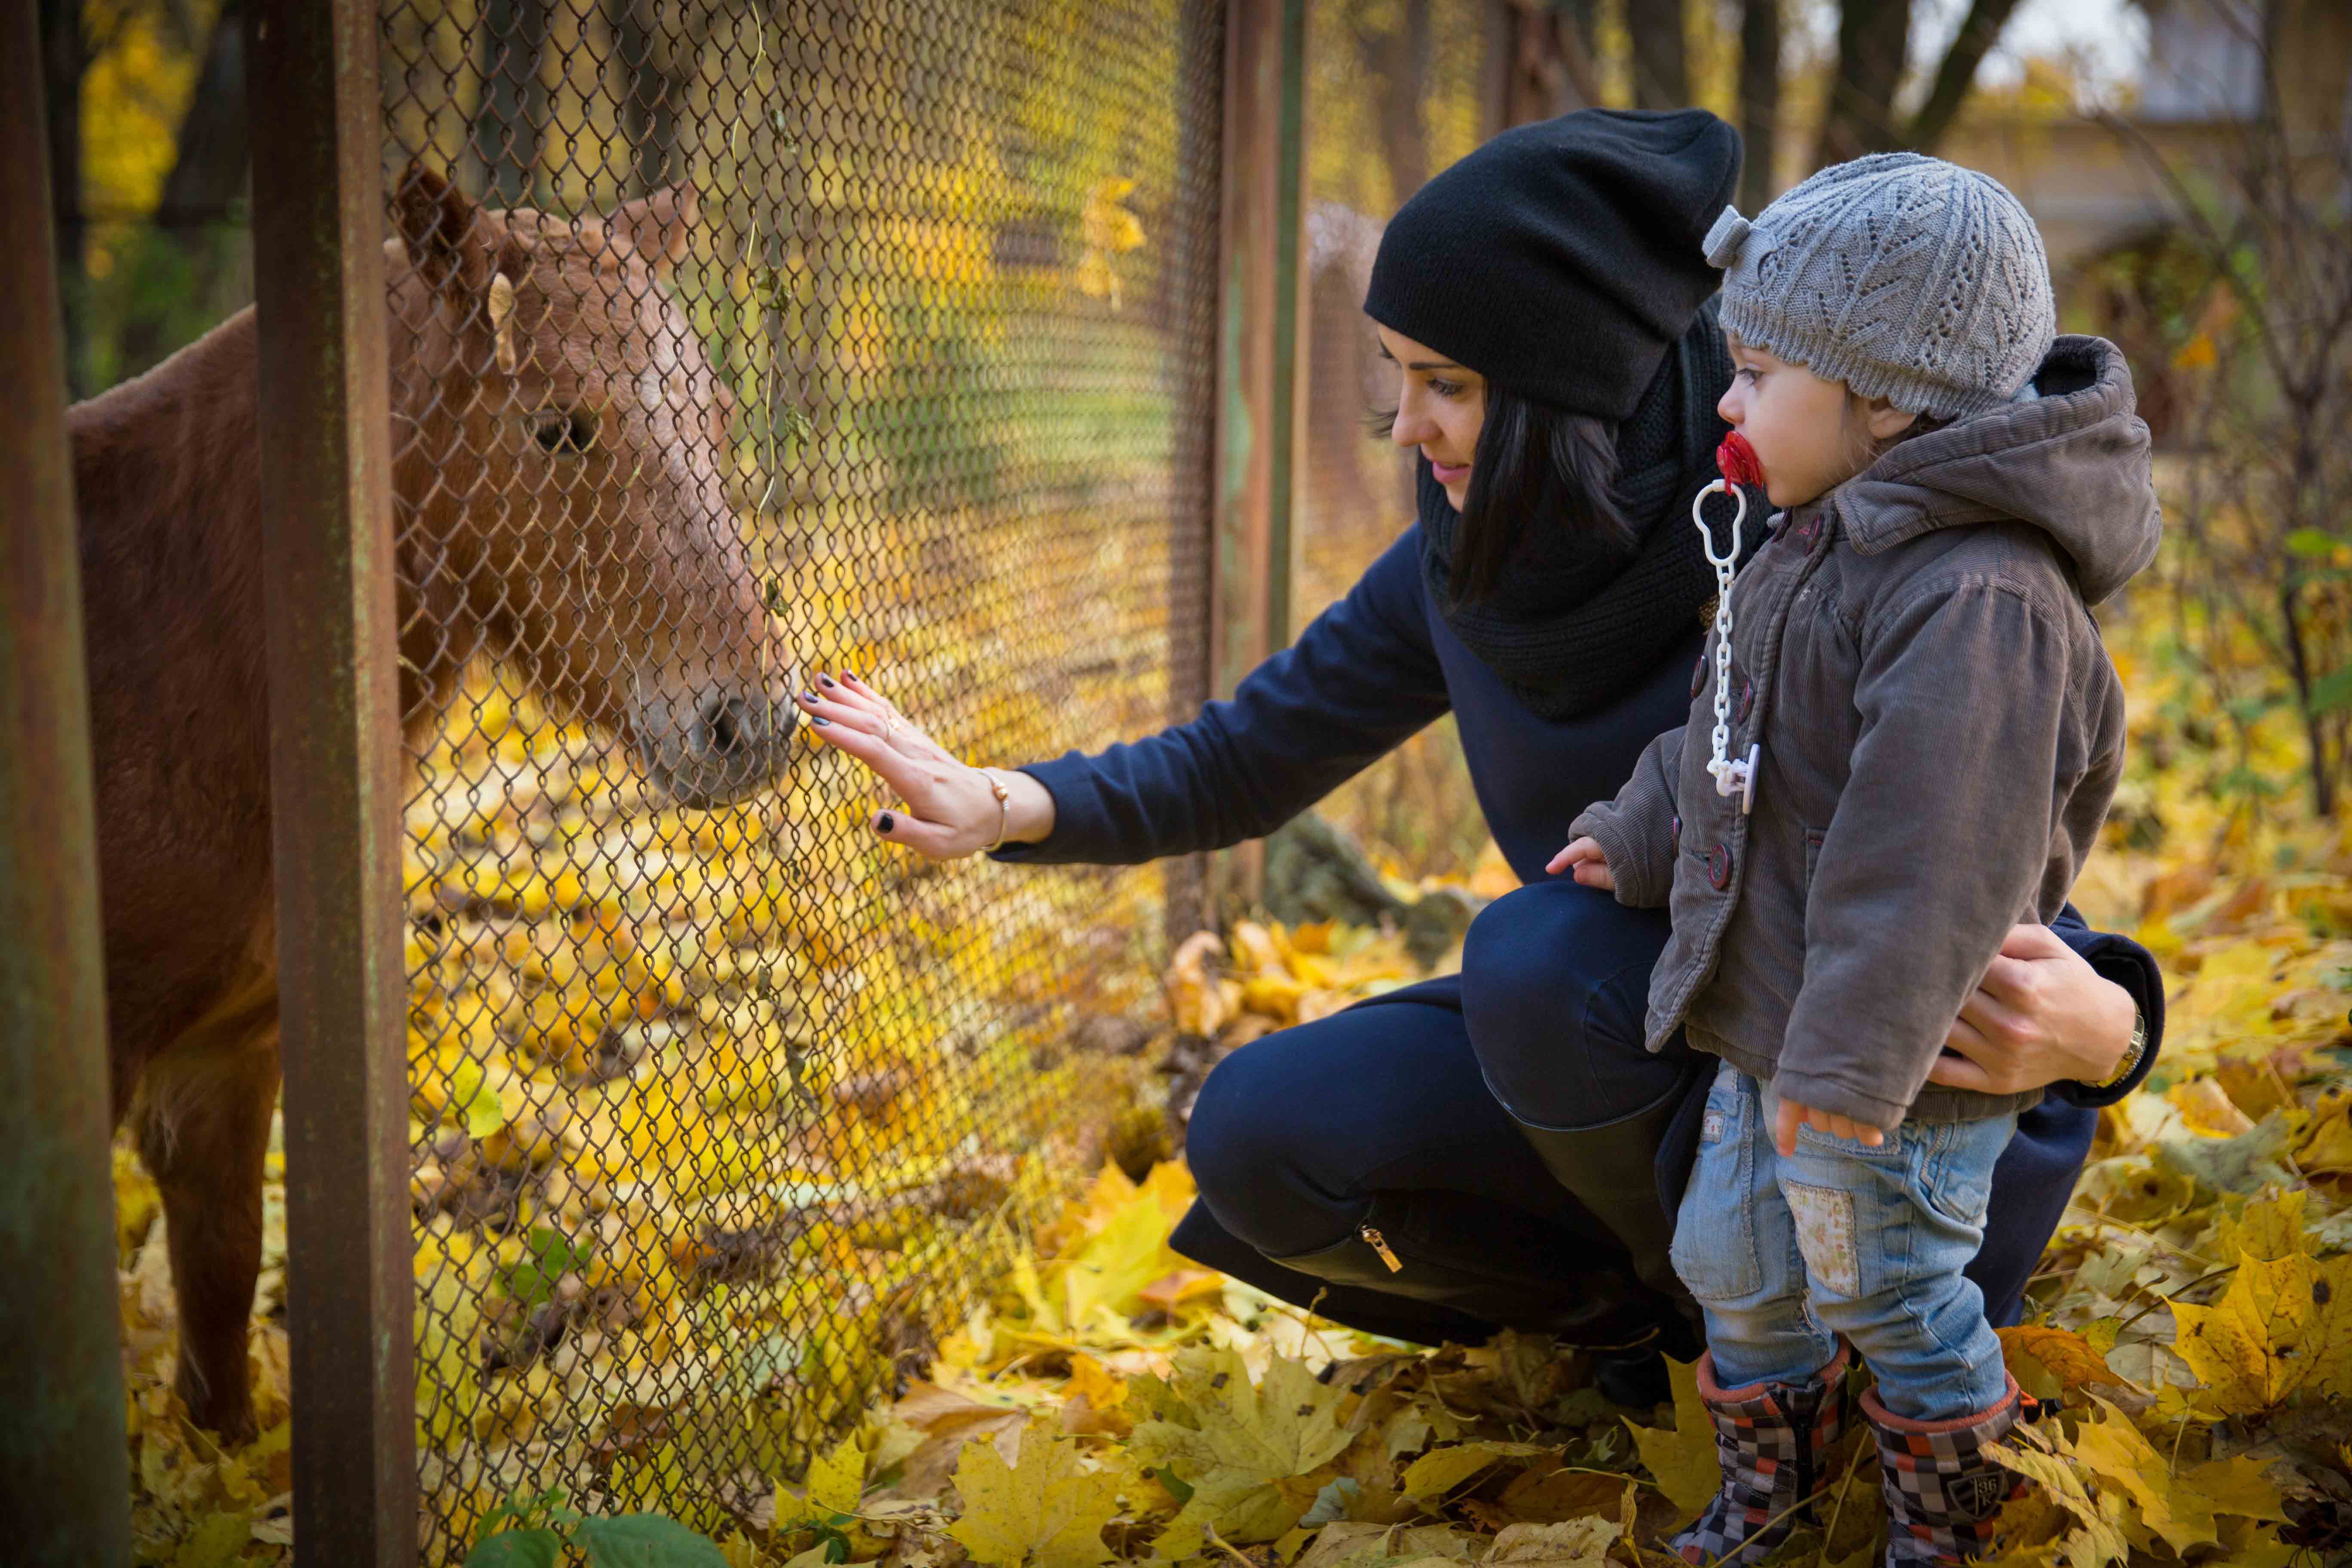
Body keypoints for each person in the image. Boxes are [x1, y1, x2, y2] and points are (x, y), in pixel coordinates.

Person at [789, 109, 2162, 1409]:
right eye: (1396, 373)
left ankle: (1813, 1343)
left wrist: (2115, 1030)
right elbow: (1248, 753)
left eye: (1446, 384)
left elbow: (1968, 846)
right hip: (1645, 1061)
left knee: (1539, 956)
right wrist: (1001, 803)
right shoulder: (1472, 563)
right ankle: (1656, 1325)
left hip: (1886, 1102)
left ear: (1574, 389)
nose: (1404, 425)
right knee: (1262, 1134)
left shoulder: (1827, 521)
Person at [1556, 155, 2160, 1566]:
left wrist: (1844, 1077)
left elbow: (1929, 870)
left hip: (1896, 1060)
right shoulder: (1822, 540)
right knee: (1734, 1263)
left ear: (1884, 399)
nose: (1725, 403)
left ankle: (1949, 1509)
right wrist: (1644, 826)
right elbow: (1731, 723)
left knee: (1889, 1280)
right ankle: (1776, 1482)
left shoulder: (1981, 601)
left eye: (1756, 373)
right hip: (1779, 1024)